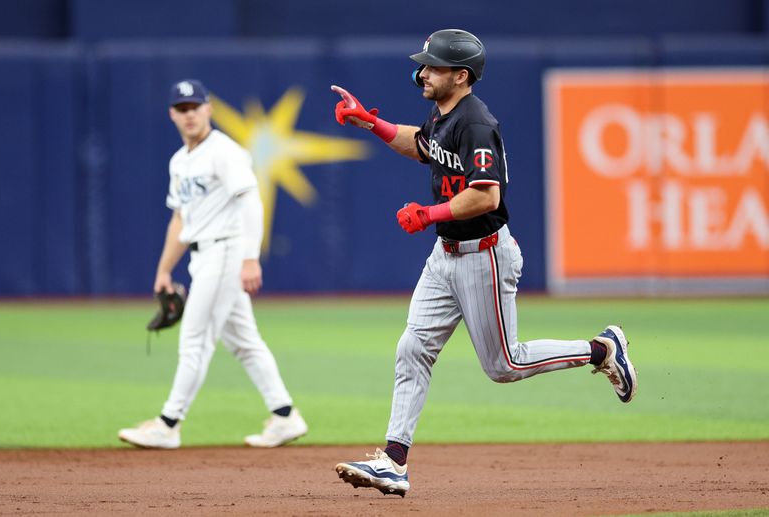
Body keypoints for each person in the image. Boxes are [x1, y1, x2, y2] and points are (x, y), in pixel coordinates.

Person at [330, 29, 637, 497]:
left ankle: (602, 350)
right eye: (425, 64)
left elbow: (486, 194)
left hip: (484, 255)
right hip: (444, 256)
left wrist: (428, 213)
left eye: (433, 66)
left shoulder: (475, 122)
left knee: (504, 365)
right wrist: (370, 123)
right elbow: (422, 145)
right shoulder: (444, 113)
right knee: (413, 348)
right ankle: (393, 461)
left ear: (461, 75)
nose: (424, 72)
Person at [118, 79, 307, 449]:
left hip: (226, 251)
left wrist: (250, 256)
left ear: (209, 110)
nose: (190, 115)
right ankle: (285, 416)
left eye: (195, 107)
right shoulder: (179, 161)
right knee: (245, 343)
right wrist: (163, 270)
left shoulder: (224, 151)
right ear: (172, 114)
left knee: (195, 341)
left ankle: (168, 424)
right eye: (182, 109)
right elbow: (179, 221)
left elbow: (250, 201)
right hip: (201, 255)